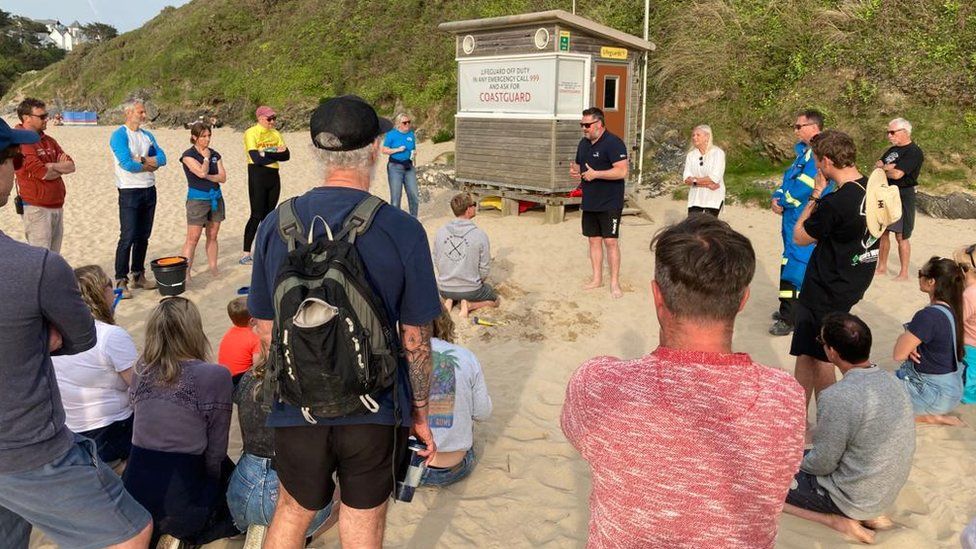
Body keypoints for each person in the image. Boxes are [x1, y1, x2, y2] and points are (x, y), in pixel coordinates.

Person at [248, 96, 441, 548]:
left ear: (315, 152)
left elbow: (263, 328)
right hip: (372, 405)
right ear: (376, 148)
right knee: (362, 520)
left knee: (293, 511)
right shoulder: (401, 229)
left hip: (296, 402)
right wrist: (420, 413)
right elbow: (415, 338)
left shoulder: (276, 224)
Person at [561, 215, 805, 548]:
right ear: (743, 299)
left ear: (657, 296)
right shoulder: (785, 398)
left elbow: (579, 433)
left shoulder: (598, 385)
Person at [0, 119, 153, 549]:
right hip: (26, 448)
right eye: (11, 160)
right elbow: (79, 339)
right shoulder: (38, 267)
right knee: (131, 531)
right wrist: (36, 336)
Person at [783, 312, 915, 544]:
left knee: (766, 478)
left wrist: (794, 461)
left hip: (852, 497)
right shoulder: (891, 381)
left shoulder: (838, 396)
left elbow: (822, 463)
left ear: (832, 352)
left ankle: (834, 520)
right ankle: (870, 515)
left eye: (822, 343)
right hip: (884, 491)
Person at [122, 297, 238, 546]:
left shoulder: (141, 367)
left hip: (134, 493)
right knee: (234, 482)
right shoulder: (214, 375)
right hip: (181, 498)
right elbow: (216, 450)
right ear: (194, 331)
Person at [790, 130, 879, 409]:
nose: (816, 166)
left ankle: (831, 418)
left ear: (827, 161)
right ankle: (800, 418)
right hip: (853, 279)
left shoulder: (835, 203)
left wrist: (816, 195)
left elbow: (800, 236)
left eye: (817, 161)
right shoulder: (873, 189)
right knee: (806, 351)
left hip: (825, 287)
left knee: (823, 355)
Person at [226, 330, 336, 542]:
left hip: (244, 488)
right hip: (285, 488)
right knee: (337, 500)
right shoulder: (306, 387)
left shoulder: (247, 380)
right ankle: (306, 538)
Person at [52, 265, 137, 464]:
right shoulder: (110, 336)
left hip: (73, 429)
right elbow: (138, 389)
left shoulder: (55, 334)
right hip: (113, 428)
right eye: (109, 284)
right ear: (102, 293)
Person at [770, 109, 829, 336]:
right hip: (791, 218)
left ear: (813, 128)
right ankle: (788, 311)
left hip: (803, 218)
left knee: (795, 264)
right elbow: (788, 179)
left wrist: (784, 201)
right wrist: (777, 196)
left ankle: (789, 318)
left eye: (798, 126)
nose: (795, 130)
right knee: (790, 261)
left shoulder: (818, 153)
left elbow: (805, 187)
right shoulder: (803, 153)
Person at [893, 256, 967, 425]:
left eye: (921, 274)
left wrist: (904, 339)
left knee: (878, 393)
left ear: (931, 281)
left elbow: (898, 354)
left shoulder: (928, 315)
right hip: (951, 389)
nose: (919, 277)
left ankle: (928, 417)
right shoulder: (952, 309)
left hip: (932, 393)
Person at [422, 309, 492, 486]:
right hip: (453, 468)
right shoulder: (466, 357)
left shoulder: (400, 357)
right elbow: (483, 413)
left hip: (408, 468)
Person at [569, 107, 629, 299]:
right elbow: (580, 166)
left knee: (610, 241)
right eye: (582, 125)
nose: (584, 129)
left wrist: (597, 174)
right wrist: (575, 173)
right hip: (590, 200)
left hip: (610, 200)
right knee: (593, 240)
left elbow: (621, 171)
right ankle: (597, 279)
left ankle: (614, 283)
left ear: (599, 124)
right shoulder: (583, 144)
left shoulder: (614, 143)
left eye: (587, 125)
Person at [110, 99, 166, 298]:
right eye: (140, 112)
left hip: (149, 189)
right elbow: (126, 163)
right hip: (129, 190)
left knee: (144, 235)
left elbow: (162, 158)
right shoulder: (119, 135)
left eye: (144, 112)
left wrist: (143, 160)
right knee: (128, 236)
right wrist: (150, 165)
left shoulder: (147, 135)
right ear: (128, 113)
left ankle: (138, 275)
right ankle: (120, 279)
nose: (144, 115)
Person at [14, 97, 75, 252]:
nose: (46, 119)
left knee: (54, 258)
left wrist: (53, 165)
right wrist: (57, 168)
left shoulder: (48, 140)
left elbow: (71, 165)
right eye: (42, 116)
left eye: (46, 115)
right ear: (27, 118)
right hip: (36, 208)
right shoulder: (21, 140)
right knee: (41, 258)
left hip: (57, 205)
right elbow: (41, 172)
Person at [433, 192, 499, 318]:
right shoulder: (480, 235)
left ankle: (450, 300)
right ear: (468, 210)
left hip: (445, 288)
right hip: (470, 289)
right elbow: (484, 268)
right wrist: (477, 281)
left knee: (455, 289)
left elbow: (436, 260)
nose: (475, 207)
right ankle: (469, 305)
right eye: (474, 204)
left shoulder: (440, 232)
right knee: (494, 300)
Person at [875, 118, 923, 280]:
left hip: (903, 195)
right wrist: (887, 167)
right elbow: (878, 165)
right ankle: (882, 266)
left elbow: (897, 174)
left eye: (892, 132)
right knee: (883, 232)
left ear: (905, 132)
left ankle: (903, 273)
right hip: (886, 193)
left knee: (902, 235)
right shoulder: (892, 150)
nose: (889, 135)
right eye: (888, 132)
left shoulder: (914, 152)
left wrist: (886, 168)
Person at [241, 105, 289, 265]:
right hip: (257, 174)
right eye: (269, 119)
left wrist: (266, 153)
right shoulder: (251, 132)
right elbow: (256, 158)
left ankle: (265, 249)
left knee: (270, 215)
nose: (273, 122)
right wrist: (275, 153)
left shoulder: (276, 133)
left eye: (274, 118)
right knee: (256, 214)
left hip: (273, 176)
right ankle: (246, 253)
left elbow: (286, 155)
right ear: (260, 118)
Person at [179, 122, 227, 279]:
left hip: (215, 197)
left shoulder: (215, 154)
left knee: (213, 235)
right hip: (197, 200)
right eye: (203, 136)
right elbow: (200, 173)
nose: (207, 139)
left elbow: (223, 177)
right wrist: (205, 160)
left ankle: (213, 267)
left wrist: (208, 175)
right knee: (193, 238)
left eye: (209, 136)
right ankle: (185, 271)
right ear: (194, 137)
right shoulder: (188, 155)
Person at [681, 124, 725, 216]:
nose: (694, 137)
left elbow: (715, 178)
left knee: (709, 226)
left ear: (707, 136)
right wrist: (706, 184)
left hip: (713, 197)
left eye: (698, 135)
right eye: (693, 135)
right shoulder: (691, 155)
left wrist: (695, 181)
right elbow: (686, 178)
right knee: (693, 225)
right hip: (695, 197)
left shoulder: (718, 153)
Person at [217, 296, 261, 386]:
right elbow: (258, 365)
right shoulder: (254, 338)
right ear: (252, 321)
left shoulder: (229, 333)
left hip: (225, 378)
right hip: (240, 381)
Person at [382, 112, 419, 217]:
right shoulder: (391, 135)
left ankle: (413, 219)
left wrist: (414, 153)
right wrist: (397, 150)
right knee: (396, 197)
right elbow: (384, 150)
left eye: (409, 122)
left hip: (409, 166)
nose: (407, 124)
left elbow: (413, 148)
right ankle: (396, 220)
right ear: (398, 124)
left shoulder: (411, 134)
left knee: (414, 195)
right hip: (395, 167)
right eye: (404, 123)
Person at [954, 244, 976, 403]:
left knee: (968, 388)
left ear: (964, 270)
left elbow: (956, 322)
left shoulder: (969, 295)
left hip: (969, 347)